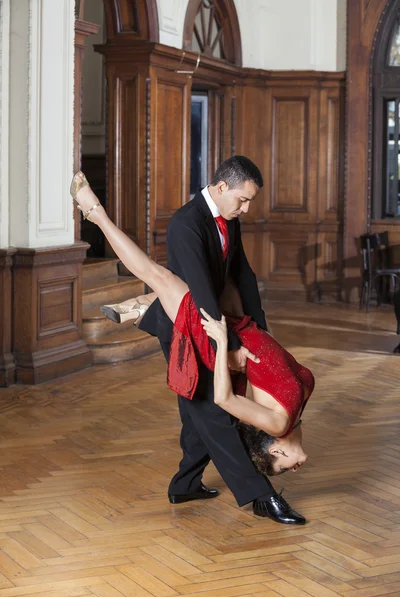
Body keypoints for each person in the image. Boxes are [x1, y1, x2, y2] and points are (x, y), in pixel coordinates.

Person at [71, 157, 311, 525]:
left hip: (215, 318)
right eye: (243, 200)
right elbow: (200, 290)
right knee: (214, 412)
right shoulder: (186, 222)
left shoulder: (230, 218)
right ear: (220, 188)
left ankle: (184, 483)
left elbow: (241, 273)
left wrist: (260, 330)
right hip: (193, 322)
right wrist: (226, 347)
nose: (246, 208)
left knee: (196, 411)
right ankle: (260, 496)